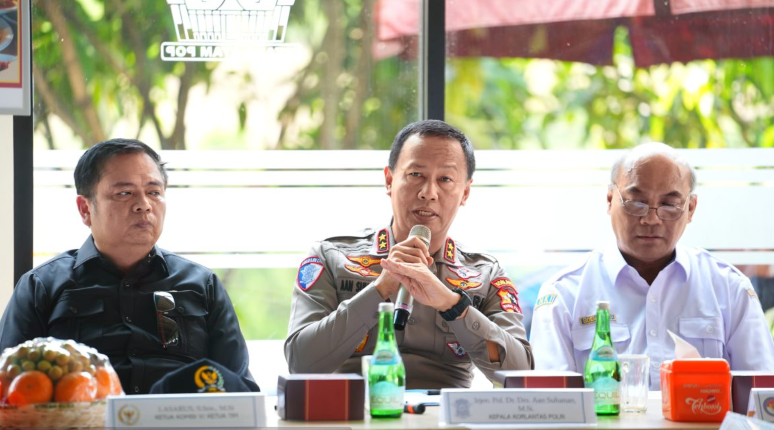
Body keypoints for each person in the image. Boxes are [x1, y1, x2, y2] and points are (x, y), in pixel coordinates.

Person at [285, 120, 533, 388]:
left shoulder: (485, 273)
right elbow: (300, 363)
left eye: (445, 179)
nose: (429, 193)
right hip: (355, 415)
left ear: (465, 193)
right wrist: (380, 290)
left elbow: (521, 373)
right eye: (416, 175)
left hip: (444, 420)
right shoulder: (332, 256)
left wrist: (453, 306)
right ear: (389, 180)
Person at [0, 139, 258, 394]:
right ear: (85, 209)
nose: (144, 204)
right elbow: (9, 387)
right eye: (124, 193)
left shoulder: (203, 285)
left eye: (154, 192)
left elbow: (238, 389)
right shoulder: (42, 286)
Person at [530, 142, 774, 389]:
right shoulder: (564, 296)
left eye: (669, 205)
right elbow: (554, 406)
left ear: (690, 208)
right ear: (609, 199)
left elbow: (762, 401)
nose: (651, 219)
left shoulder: (730, 290)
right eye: (636, 202)